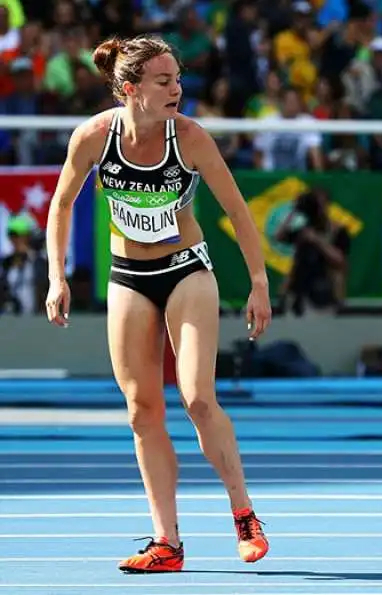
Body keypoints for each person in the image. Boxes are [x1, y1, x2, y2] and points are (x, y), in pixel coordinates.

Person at [44, 35, 272, 573]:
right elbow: (60, 204)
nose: (178, 89)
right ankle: (166, 542)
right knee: (142, 411)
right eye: (164, 81)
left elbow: (238, 213)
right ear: (130, 89)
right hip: (127, 276)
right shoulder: (94, 138)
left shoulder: (189, 138)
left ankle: (243, 512)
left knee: (196, 398)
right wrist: (57, 277)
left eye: (178, 79)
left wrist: (258, 283)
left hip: (185, 270)